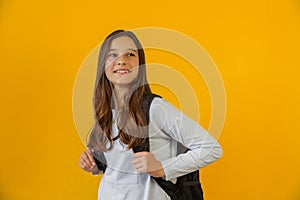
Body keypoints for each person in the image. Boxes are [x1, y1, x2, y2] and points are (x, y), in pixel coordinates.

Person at [78, 30, 223, 200]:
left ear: (141, 64)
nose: (121, 61)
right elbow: (119, 165)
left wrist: (163, 168)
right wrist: (95, 165)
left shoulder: (155, 108)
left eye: (130, 54)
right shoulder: (105, 112)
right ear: (103, 64)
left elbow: (211, 148)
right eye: (112, 55)